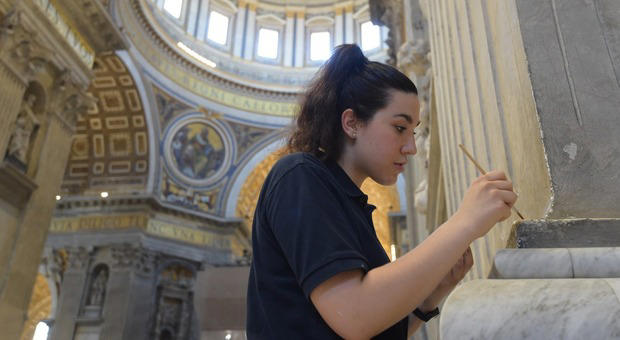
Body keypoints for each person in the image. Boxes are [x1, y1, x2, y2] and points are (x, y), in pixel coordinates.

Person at [246, 44, 517, 339]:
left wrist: (429, 296)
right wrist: (465, 222)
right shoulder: (299, 176)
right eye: (400, 128)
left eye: (413, 132)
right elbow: (354, 316)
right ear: (351, 123)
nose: (411, 147)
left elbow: (374, 327)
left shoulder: (350, 203)